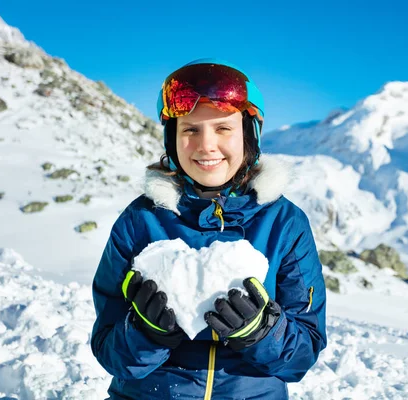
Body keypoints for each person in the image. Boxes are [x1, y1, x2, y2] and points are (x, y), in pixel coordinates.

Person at [90, 58, 327, 399]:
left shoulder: (284, 224)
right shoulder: (140, 222)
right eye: (190, 130)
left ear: (249, 134)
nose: (205, 145)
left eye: (223, 128)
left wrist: (261, 332)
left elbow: (302, 356)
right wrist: (146, 334)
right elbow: (109, 351)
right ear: (172, 138)